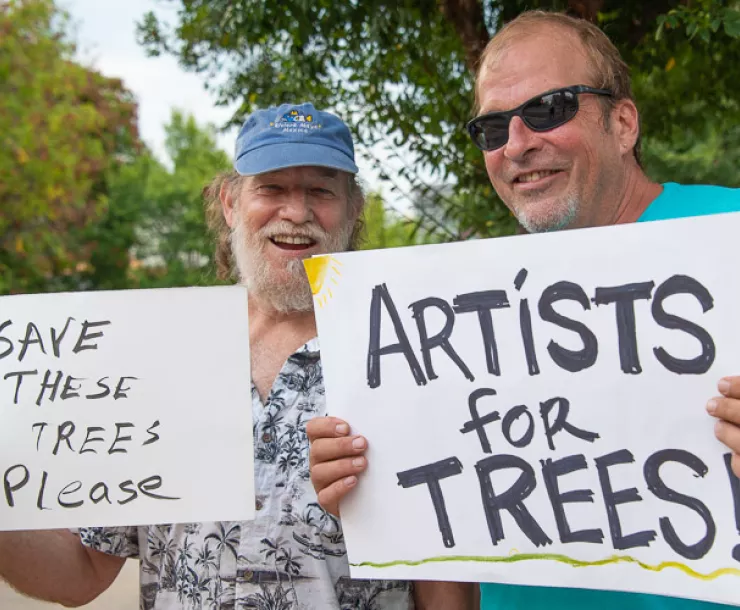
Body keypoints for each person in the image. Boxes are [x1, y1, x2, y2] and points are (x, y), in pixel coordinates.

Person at [307, 10, 740, 610]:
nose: (516, 144)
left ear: (623, 123)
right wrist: (370, 493)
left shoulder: (728, 237)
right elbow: (446, 541)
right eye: (490, 128)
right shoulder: (461, 311)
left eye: (549, 108)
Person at [0, 103, 472, 609]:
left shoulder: (407, 354)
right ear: (230, 202)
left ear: (353, 208)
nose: (296, 212)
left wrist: (388, 503)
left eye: (320, 190)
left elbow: (446, 591)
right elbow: (82, 572)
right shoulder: (157, 354)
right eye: (271, 188)